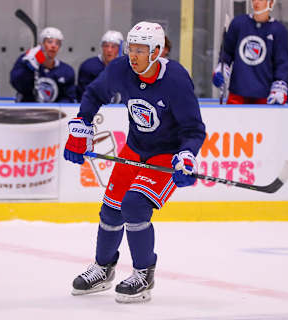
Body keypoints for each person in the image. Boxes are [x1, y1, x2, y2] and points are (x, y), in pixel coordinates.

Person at [64, 21, 206, 303]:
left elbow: (193, 129)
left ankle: (144, 274)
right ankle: (103, 269)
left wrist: (187, 155)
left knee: (135, 204)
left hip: (166, 154)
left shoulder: (175, 79)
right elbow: (93, 94)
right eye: (132, 48)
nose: (133, 55)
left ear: (155, 52)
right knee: (110, 210)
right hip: (135, 148)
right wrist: (82, 126)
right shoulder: (120, 70)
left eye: (141, 50)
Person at [212, 0, 288, 105]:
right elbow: (227, 52)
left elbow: (282, 63)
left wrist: (280, 86)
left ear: (271, 2)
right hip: (237, 93)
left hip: (264, 96)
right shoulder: (239, 23)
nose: (256, 2)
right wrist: (221, 68)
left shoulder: (279, 30)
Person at [10, 27, 76, 103]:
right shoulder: (26, 61)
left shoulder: (66, 70)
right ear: (41, 44)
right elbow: (18, 86)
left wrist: (56, 110)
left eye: (57, 43)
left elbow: (68, 98)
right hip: (26, 111)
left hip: (52, 113)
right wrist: (28, 69)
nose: (53, 46)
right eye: (50, 42)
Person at [76, 30, 123, 102]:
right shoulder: (88, 66)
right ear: (101, 47)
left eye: (113, 47)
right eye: (106, 46)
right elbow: (83, 96)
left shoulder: (126, 68)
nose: (109, 50)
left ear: (120, 49)